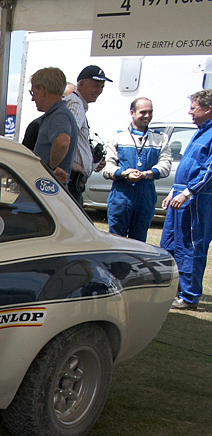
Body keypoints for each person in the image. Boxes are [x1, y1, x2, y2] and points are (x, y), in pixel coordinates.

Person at [161, 89, 212, 310]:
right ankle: (173, 289)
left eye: (194, 107)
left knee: (191, 245)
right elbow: (188, 166)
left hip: (197, 200)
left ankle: (189, 296)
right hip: (181, 195)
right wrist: (175, 190)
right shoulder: (200, 131)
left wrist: (188, 192)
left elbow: (209, 171)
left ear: (208, 109)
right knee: (169, 244)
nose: (190, 112)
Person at [101, 97, 171, 242]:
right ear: (132, 112)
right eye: (143, 112)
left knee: (139, 241)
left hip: (146, 195)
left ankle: (133, 266)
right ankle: (116, 265)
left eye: (150, 112)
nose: (147, 116)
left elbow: (165, 165)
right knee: (116, 239)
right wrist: (125, 173)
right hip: (121, 195)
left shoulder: (160, 138)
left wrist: (146, 174)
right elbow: (107, 168)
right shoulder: (118, 137)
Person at [64, 65, 112, 207]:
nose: (99, 91)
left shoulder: (78, 104)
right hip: (71, 180)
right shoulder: (76, 104)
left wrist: (92, 161)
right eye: (96, 86)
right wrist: (70, 163)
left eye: (102, 87)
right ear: (81, 84)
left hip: (74, 180)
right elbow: (65, 137)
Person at [28, 67, 76, 185]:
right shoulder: (57, 114)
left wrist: (49, 168)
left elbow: (62, 142)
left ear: (42, 90)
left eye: (33, 92)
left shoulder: (59, 115)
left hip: (47, 188)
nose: (32, 98)